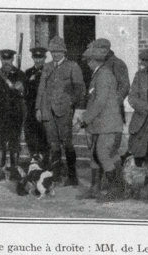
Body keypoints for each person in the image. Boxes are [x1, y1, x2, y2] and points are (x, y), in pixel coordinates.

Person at [35, 36, 85, 185]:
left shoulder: (72, 66)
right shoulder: (47, 66)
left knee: (67, 143)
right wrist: (38, 108)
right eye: (53, 51)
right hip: (47, 110)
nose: (56, 54)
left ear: (64, 52)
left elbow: (79, 89)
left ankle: (72, 177)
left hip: (64, 111)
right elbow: (41, 88)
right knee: (53, 144)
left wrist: (72, 105)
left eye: (59, 51)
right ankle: (55, 175)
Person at [77, 47, 123, 200]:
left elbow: (99, 102)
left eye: (87, 61)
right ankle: (94, 189)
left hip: (107, 123)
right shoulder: (99, 73)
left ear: (93, 60)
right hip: (100, 123)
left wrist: (83, 120)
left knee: (102, 154)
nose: (87, 64)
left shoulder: (103, 75)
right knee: (96, 156)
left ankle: (116, 190)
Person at [0, 49, 27, 181]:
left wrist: (22, 89)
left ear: (13, 59)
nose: (6, 62)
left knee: (14, 143)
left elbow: (28, 95)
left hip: (15, 116)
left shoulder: (20, 75)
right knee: (0, 144)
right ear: (1, 60)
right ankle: (0, 172)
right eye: (4, 59)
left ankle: (14, 171)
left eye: (9, 59)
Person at [23, 47, 49, 160]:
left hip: (45, 109)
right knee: (30, 135)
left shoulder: (49, 71)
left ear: (45, 58)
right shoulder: (28, 73)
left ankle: (46, 163)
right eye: (36, 57)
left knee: (45, 136)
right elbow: (24, 91)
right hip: (30, 109)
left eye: (40, 57)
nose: (38, 60)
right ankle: (34, 161)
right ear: (32, 57)